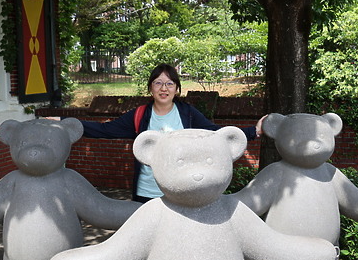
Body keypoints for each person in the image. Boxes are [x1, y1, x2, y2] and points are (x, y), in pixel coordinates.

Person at [76, 63, 266, 202]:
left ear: (177, 88)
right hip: (146, 192)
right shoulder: (140, 115)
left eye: (169, 84)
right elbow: (105, 129)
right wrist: (66, 123)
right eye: (158, 83)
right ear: (151, 87)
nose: (163, 88)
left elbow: (215, 133)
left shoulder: (188, 114)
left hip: (180, 191)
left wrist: (253, 131)